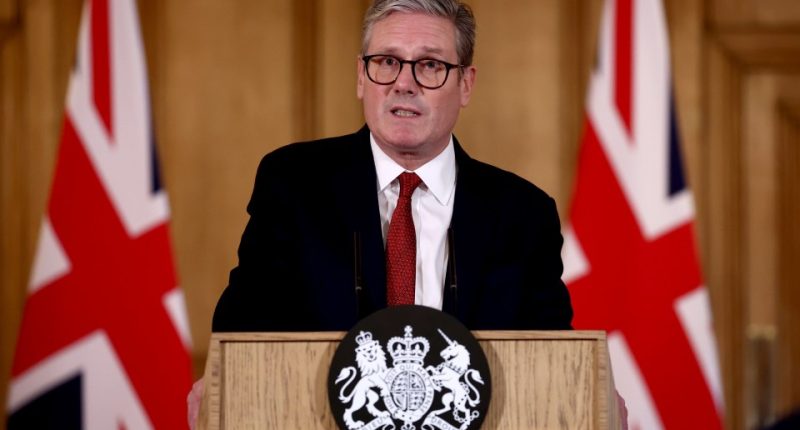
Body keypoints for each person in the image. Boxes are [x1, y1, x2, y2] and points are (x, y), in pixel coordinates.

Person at [211, 0, 573, 333]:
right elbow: (241, 332)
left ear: (465, 84)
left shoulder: (523, 215)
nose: (403, 83)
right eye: (387, 62)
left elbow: (552, 359)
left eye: (430, 65)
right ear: (360, 76)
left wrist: (588, 392)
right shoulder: (294, 186)